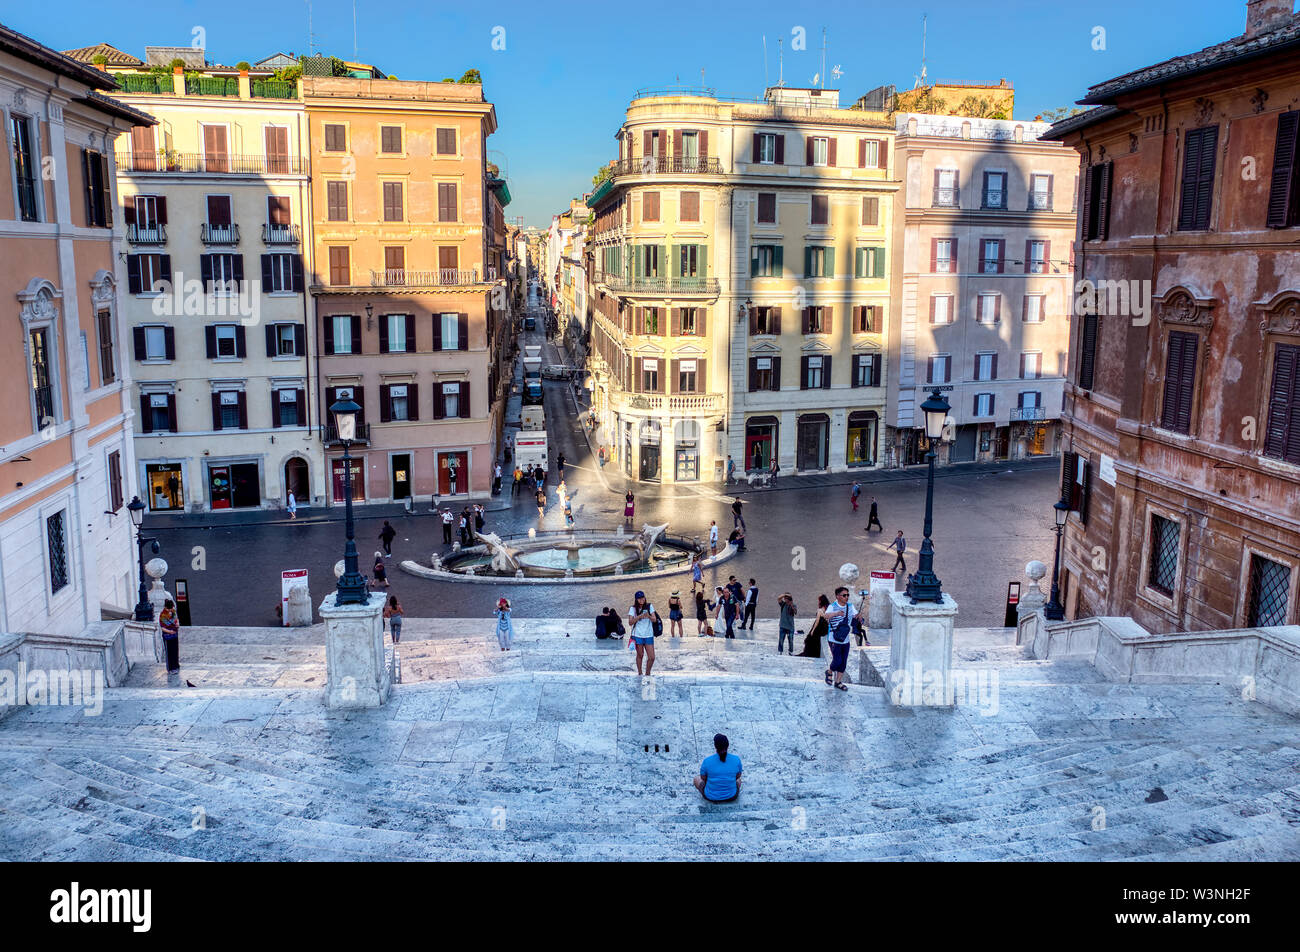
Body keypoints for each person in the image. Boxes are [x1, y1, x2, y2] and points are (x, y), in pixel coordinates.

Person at [824, 586, 857, 691]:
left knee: (843, 662)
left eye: (847, 595)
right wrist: (837, 613)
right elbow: (826, 616)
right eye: (844, 595)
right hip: (834, 639)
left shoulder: (850, 606)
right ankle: (829, 672)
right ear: (837, 596)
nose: (846, 597)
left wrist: (859, 617)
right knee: (837, 660)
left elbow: (856, 615)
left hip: (845, 639)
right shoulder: (832, 606)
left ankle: (838, 682)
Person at [693, 733, 742, 803]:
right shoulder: (736, 759)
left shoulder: (707, 761)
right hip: (731, 796)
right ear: (728, 746)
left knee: (696, 779)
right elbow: (737, 776)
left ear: (715, 746)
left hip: (711, 796)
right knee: (739, 780)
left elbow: (703, 778)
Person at [628, 591, 656, 676]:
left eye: (643, 597)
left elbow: (654, 619)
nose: (641, 600)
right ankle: (640, 673)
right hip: (638, 635)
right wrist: (639, 617)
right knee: (640, 655)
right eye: (639, 598)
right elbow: (630, 622)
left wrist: (648, 616)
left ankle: (647, 673)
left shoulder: (649, 606)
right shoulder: (632, 609)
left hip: (648, 635)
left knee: (652, 657)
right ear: (636, 600)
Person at [159, 598, 181, 672]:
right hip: (168, 636)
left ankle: (176, 665)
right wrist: (169, 631)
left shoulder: (173, 611)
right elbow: (162, 627)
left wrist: (177, 623)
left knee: (175, 650)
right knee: (169, 652)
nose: (170, 611)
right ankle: (171, 667)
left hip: (175, 633)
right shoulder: (162, 615)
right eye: (169, 609)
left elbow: (176, 618)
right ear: (166, 608)